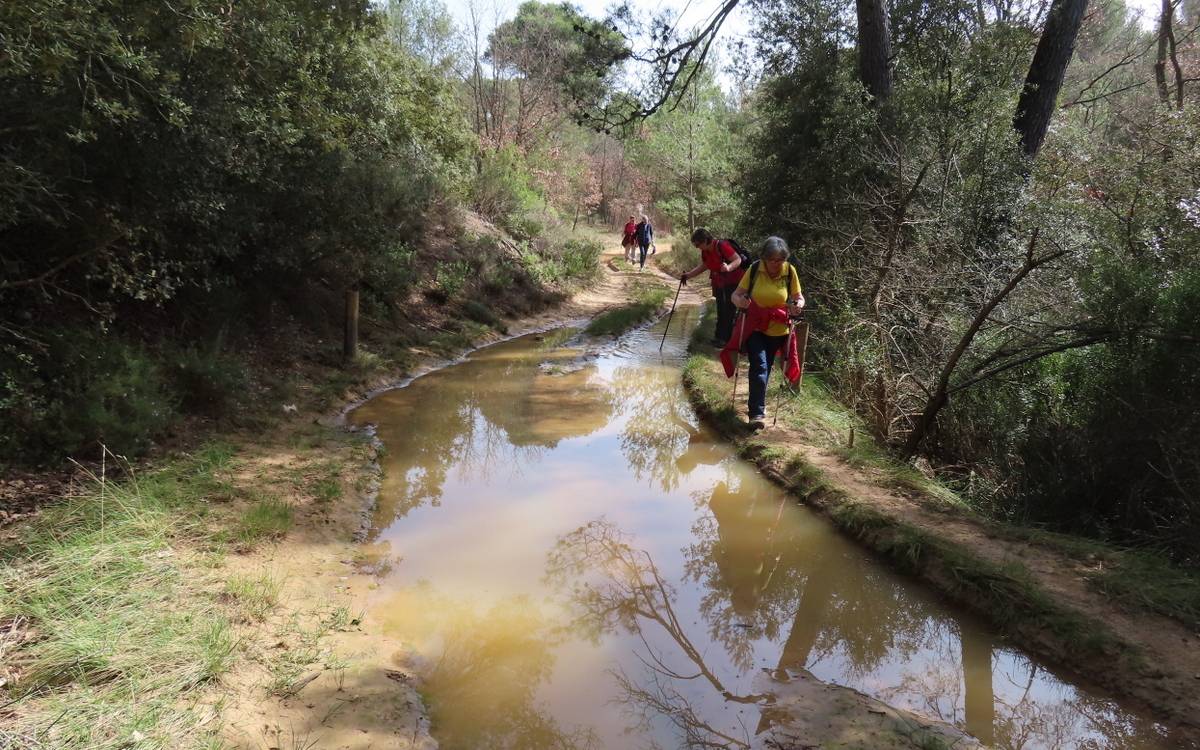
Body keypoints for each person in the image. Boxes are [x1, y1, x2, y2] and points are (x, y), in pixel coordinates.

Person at [731, 237, 804, 429]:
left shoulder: (789, 272)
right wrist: (741, 302)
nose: (775, 263)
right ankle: (756, 413)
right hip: (755, 327)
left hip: (779, 330)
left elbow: (798, 297)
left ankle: (758, 405)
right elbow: (736, 295)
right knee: (760, 367)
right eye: (771, 259)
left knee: (767, 367)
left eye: (780, 259)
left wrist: (798, 306)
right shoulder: (755, 269)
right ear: (764, 258)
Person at [680, 228, 745, 346]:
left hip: (733, 282)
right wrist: (688, 275)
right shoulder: (705, 251)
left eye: (698, 244)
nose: (697, 247)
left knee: (729, 311)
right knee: (721, 310)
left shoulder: (722, 246)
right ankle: (719, 338)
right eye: (695, 245)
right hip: (719, 282)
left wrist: (728, 267)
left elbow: (737, 259)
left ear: (705, 240)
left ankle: (726, 340)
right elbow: (705, 265)